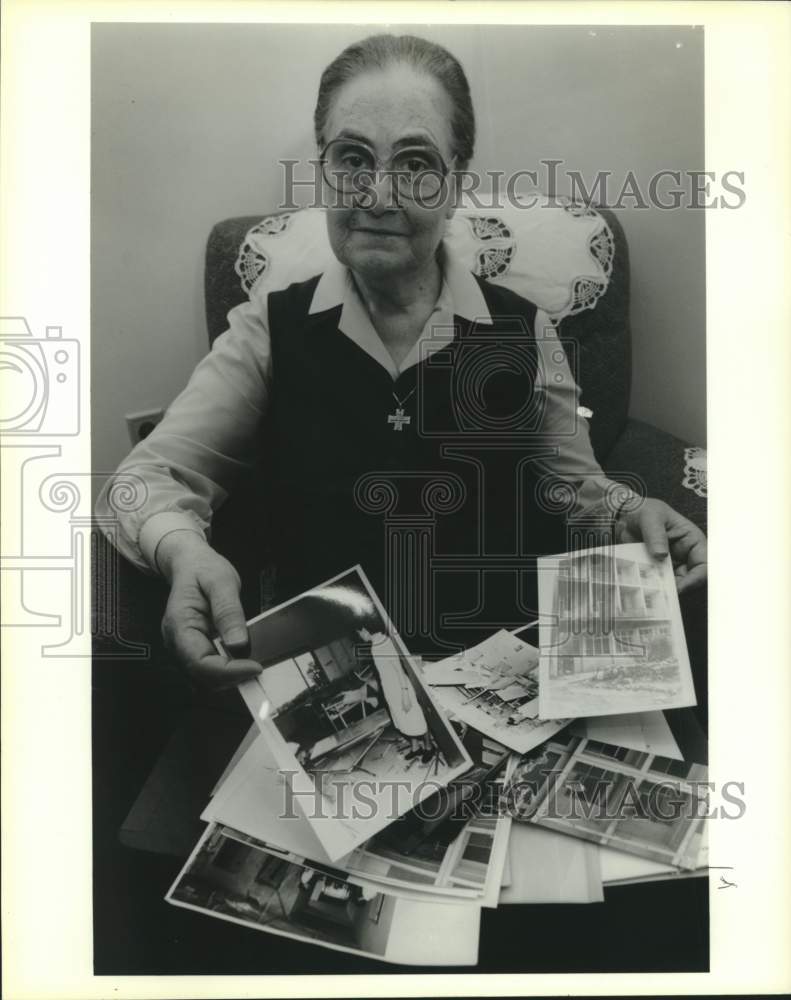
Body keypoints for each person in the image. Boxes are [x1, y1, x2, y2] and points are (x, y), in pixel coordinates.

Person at [96, 33, 707, 692]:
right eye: (352, 158)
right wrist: (183, 550)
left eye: (414, 163)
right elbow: (145, 481)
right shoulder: (266, 331)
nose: (379, 195)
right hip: (334, 680)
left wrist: (628, 511)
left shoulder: (526, 331)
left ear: (453, 186)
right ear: (325, 172)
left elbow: (575, 491)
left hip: (507, 676)